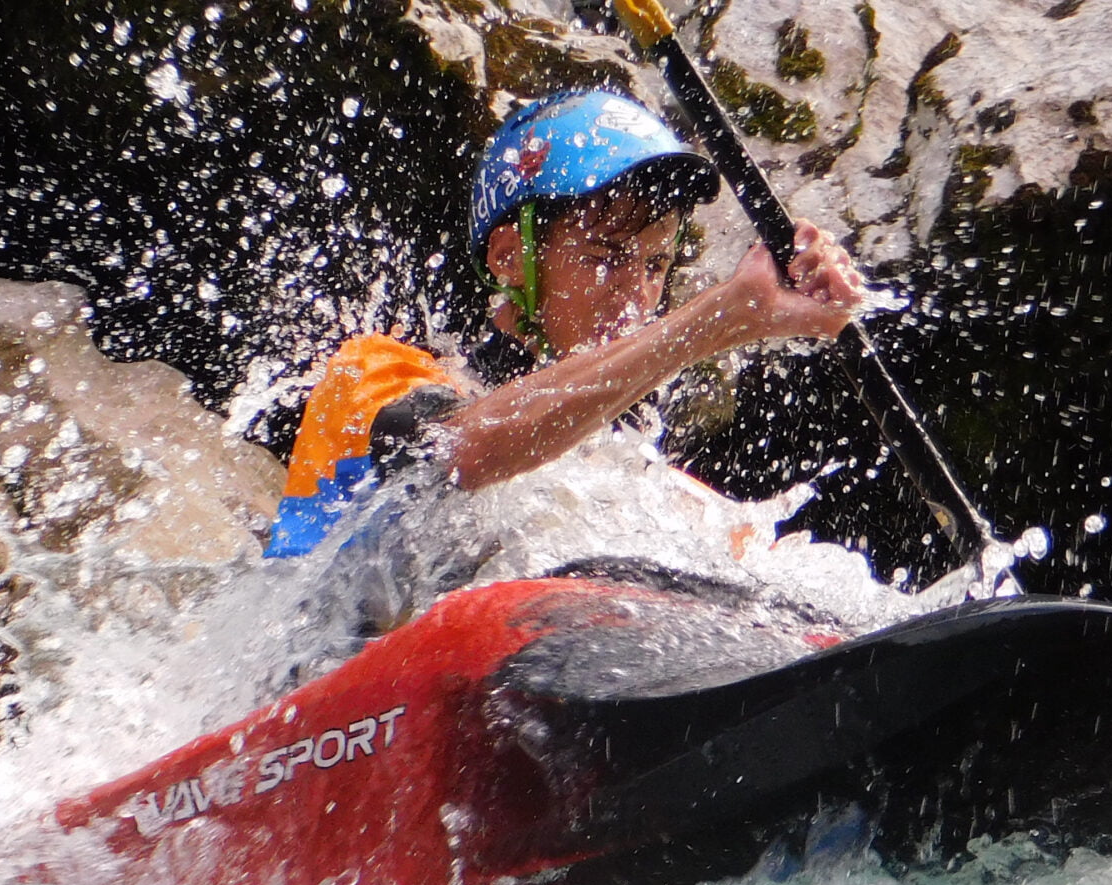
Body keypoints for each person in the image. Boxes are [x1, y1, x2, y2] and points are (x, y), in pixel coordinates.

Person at [263, 90, 869, 564]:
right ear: (509, 257)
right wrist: (724, 317)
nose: (635, 295)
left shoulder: (622, 473)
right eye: (605, 255)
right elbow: (461, 452)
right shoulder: (374, 374)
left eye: (654, 265)